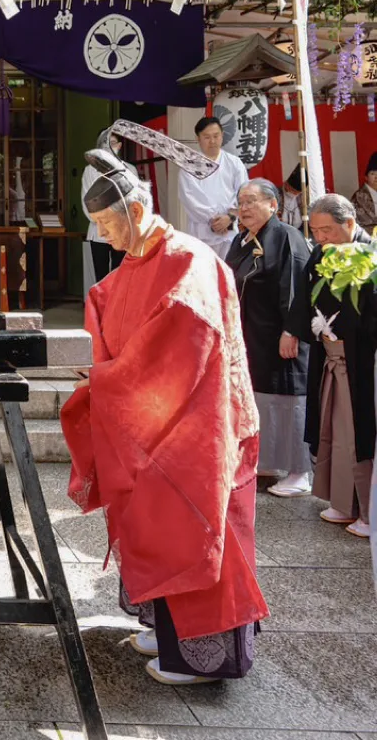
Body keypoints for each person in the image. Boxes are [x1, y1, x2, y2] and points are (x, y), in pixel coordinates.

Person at [61, 146, 267, 687]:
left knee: (193, 524)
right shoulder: (135, 265)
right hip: (148, 424)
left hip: (196, 424)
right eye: (98, 224)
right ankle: (165, 626)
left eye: (108, 222)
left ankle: (203, 656)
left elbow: (180, 345)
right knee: (147, 519)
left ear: (134, 208)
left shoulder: (189, 259)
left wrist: (106, 378)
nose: (104, 234)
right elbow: (111, 308)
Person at [226, 180, 312, 497]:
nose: (244, 207)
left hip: (281, 335)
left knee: (289, 400)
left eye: (251, 201)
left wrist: (291, 330)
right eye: (240, 201)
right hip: (252, 336)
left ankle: (299, 471)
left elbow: (296, 288)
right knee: (261, 398)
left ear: (273, 205)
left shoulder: (287, 237)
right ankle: (267, 462)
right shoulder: (241, 240)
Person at [304, 194, 376, 538]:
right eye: (315, 230)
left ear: (350, 223)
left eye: (327, 230)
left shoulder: (370, 255)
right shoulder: (321, 252)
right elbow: (304, 297)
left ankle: (366, 509)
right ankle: (342, 502)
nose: (320, 238)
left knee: (358, 434)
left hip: (360, 361)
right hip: (329, 357)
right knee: (333, 430)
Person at [178, 116, 248, 258]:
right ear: (198, 139)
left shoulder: (234, 163)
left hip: (229, 230)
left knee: (229, 274)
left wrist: (229, 217)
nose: (212, 141)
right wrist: (214, 220)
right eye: (207, 137)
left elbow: (244, 192)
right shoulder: (189, 167)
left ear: (222, 136)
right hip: (202, 232)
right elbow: (190, 199)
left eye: (216, 136)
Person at [81, 127, 138, 297]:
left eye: (112, 143)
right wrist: (102, 220)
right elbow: (87, 201)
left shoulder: (129, 170)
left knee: (121, 273)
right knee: (101, 276)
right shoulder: (90, 171)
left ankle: (118, 311)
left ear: (119, 146)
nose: (108, 147)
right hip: (99, 230)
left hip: (122, 230)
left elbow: (134, 200)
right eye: (104, 144)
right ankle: (102, 312)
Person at [351, 153, 377, 234]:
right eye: (372, 174)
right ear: (366, 177)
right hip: (366, 234)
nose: (376, 177)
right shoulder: (359, 196)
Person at [281, 165, 304, 230]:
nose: (294, 194)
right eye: (292, 190)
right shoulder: (276, 194)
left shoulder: (302, 198)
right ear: (286, 184)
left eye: (297, 192)